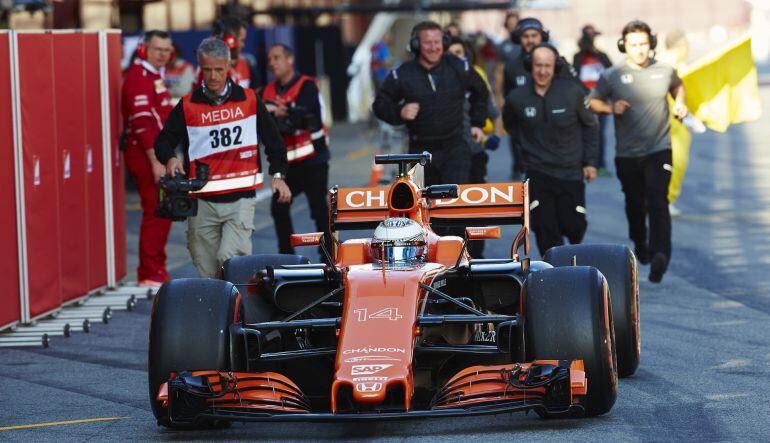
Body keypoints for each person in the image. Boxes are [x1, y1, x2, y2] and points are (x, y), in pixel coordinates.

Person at [154, 38, 291, 278]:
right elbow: (163, 141)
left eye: (219, 69)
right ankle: (220, 313)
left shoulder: (249, 100)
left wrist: (279, 176)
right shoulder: (188, 105)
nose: (214, 76)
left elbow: (275, 143)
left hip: (240, 201)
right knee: (207, 270)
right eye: (207, 70)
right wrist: (170, 159)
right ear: (200, 68)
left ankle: (240, 312)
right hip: (202, 202)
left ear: (228, 66)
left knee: (230, 259)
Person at [588, 20, 687, 283]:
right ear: (624, 46)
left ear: (651, 43)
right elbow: (593, 101)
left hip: (659, 149)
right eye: (633, 45)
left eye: (643, 44)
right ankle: (640, 241)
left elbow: (678, 85)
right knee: (635, 204)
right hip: (628, 154)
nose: (639, 50)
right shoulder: (613, 75)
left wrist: (679, 103)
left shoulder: (665, 70)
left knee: (658, 201)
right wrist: (611, 109)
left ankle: (660, 257)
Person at [503, 43, 599, 257]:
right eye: (538, 65)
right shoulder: (516, 98)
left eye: (548, 66)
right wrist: (528, 147)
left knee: (574, 228)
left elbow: (591, 126)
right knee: (545, 228)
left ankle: (567, 253)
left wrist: (590, 163)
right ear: (530, 65)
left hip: (570, 171)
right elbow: (511, 127)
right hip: (538, 172)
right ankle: (556, 270)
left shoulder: (572, 92)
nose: (543, 71)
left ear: (556, 67)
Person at [372, 21, 488, 188]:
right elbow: (380, 105)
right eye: (428, 42)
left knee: (453, 206)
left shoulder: (459, 66)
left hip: (455, 150)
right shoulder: (402, 74)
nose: (434, 47)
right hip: (419, 152)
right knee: (423, 207)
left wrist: (477, 122)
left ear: (444, 43)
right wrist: (400, 112)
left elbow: (481, 90)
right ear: (416, 45)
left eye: (437, 42)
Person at [260, 44, 331, 256]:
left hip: (313, 161)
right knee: (278, 208)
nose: (272, 63)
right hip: (287, 166)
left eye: (277, 57)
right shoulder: (266, 91)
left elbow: (307, 120)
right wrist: (279, 114)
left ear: (290, 60)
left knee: (319, 211)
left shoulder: (307, 86)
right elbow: (265, 122)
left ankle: (328, 257)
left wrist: (278, 113)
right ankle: (287, 256)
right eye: (269, 59)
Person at [121, 30, 175, 288]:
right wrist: (156, 161)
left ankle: (157, 268)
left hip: (158, 153)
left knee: (164, 211)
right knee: (156, 210)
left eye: (167, 50)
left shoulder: (155, 76)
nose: (163, 55)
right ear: (144, 49)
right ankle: (149, 272)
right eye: (158, 49)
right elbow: (143, 123)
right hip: (145, 154)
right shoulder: (138, 77)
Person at [502, 17, 582, 179]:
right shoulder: (511, 67)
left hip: (559, 132)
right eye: (526, 36)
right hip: (527, 136)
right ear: (518, 38)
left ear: (542, 37)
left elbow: (580, 92)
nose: (530, 40)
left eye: (534, 35)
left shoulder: (558, 63)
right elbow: (509, 101)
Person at [447, 36, 502, 258]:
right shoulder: (436, 81)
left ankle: (477, 255)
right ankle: (453, 254)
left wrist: (496, 136)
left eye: (459, 52)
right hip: (447, 157)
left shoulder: (475, 78)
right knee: (450, 211)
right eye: (450, 54)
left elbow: (494, 112)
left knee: (476, 209)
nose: (455, 57)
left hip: (475, 154)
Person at [573, 24, 612, 174]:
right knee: (584, 133)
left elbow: (611, 71)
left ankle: (600, 164)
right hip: (584, 101)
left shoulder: (601, 55)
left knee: (600, 134)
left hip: (601, 100)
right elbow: (574, 76)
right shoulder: (578, 57)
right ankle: (586, 164)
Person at [194, 17, 251, 89]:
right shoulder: (207, 68)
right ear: (230, 40)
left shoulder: (245, 63)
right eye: (242, 40)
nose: (243, 45)